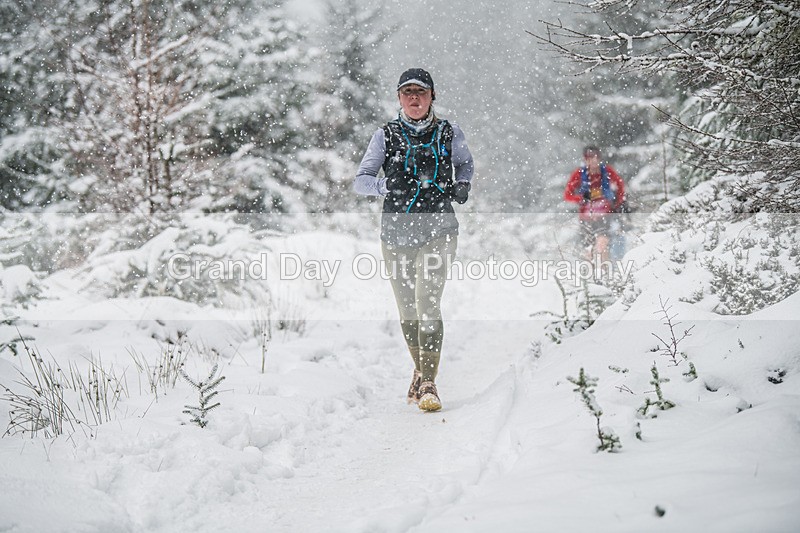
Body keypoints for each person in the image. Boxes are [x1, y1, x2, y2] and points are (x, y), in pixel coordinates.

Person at [354, 68, 474, 412]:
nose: (414, 98)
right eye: (407, 92)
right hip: (396, 233)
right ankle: (421, 370)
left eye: (420, 92)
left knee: (427, 302)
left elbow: (465, 165)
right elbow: (361, 180)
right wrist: (386, 186)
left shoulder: (449, 132)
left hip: (438, 228)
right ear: (399, 98)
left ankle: (428, 383)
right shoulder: (385, 135)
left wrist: (462, 185)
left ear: (432, 96)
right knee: (408, 310)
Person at [563, 145, 625, 262]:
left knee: (602, 244)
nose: (594, 161)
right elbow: (567, 195)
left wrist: (617, 203)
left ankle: (604, 273)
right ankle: (591, 275)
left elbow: (620, 186)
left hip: (604, 216)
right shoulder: (579, 174)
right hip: (586, 218)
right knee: (589, 249)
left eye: (596, 158)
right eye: (590, 158)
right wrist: (582, 198)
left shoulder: (607, 171)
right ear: (585, 159)